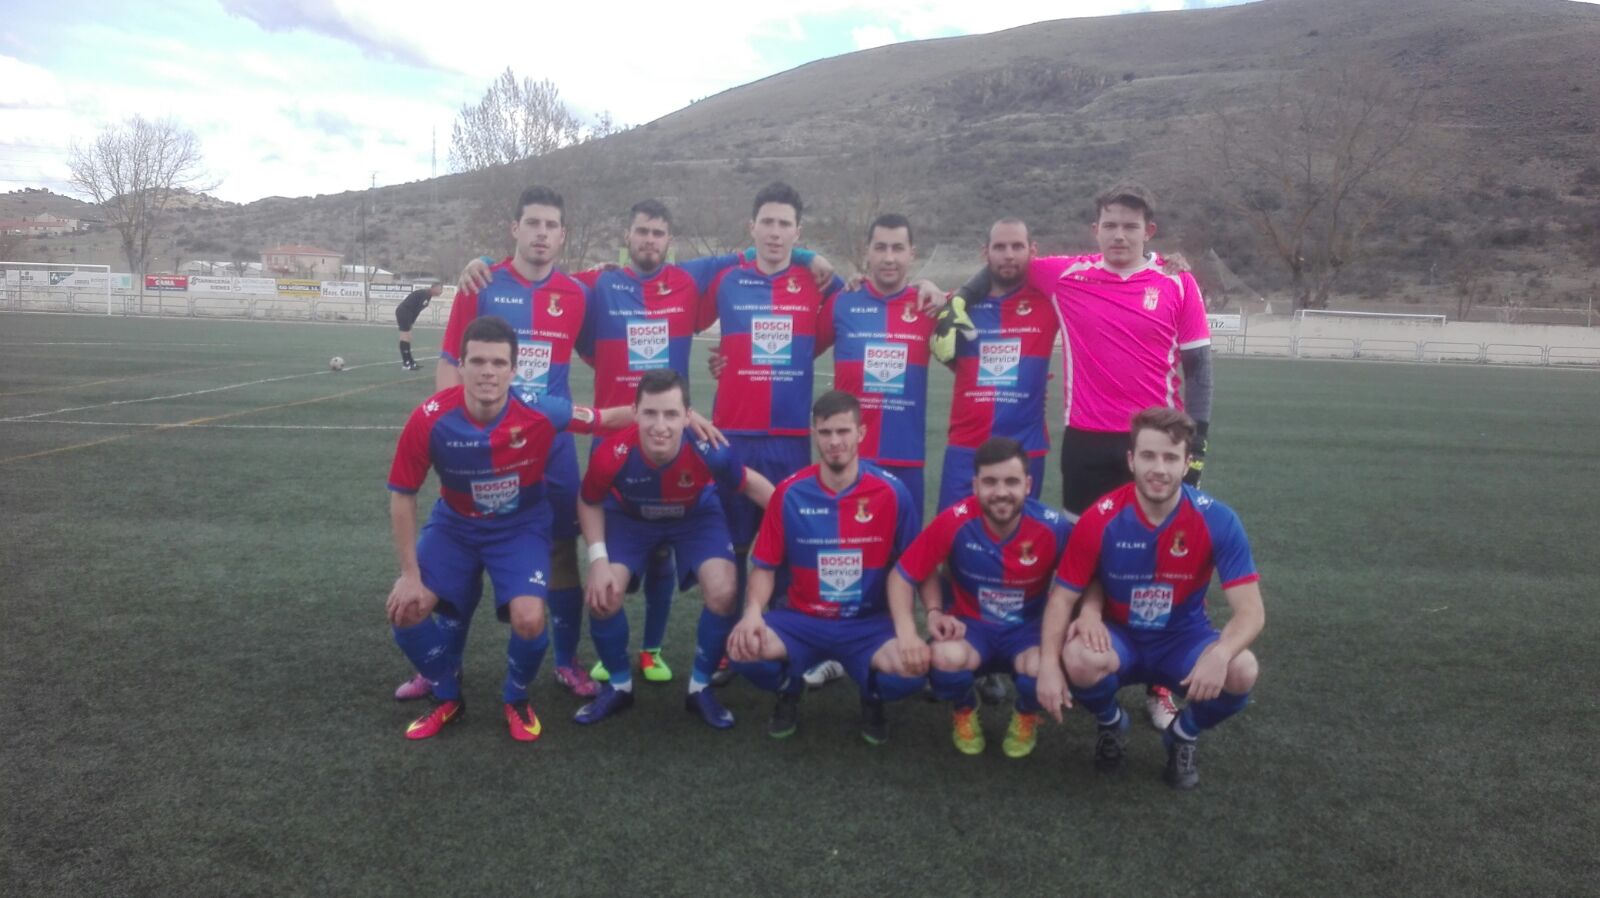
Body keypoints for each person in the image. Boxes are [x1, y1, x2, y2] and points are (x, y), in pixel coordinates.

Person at [458, 198, 831, 689]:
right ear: (627, 237)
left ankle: (653, 651)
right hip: (613, 438)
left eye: (658, 233)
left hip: (672, 436)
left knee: (663, 552)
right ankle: (606, 661)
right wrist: (485, 262)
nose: (649, 240)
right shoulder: (598, 284)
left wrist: (807, 255)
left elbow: (758, 249)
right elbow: (540, 271)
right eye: (641, 232)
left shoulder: (690, 280)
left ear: (668, 241)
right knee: (612, 556)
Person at [953, 183, 1214, 730]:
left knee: (1160, 557)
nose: (1120, 235)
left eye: (1131, 226)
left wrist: (1196, 448)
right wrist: (956, 298)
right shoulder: (1067, 275)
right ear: (1095, 230)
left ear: (1149, 231)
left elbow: (1199, 371)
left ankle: (1160, 684)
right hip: (1087, 439)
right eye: (1110, 225)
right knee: (1080, 551)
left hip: (1155, 444)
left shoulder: (1176, 282)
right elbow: (1007, 262)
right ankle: (1080, 658)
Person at [384, 315, 631, 741]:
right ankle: (447, 693)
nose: (488, 372)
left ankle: (515, 697)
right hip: (455, 526)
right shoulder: (429, 418)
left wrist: (680, 417)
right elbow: (402, 494)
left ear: (514, 370)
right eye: (478, 361)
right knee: (405, 609)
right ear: (461, 366)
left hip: (519, 527)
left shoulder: (540, 409)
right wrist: (409, 574)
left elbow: (606, 418)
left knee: (530, 619)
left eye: (499, 363)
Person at [1035, 408, 1263, 790]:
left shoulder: (1218, 520)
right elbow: (1061, 599)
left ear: (1187, 463)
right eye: (1148, 456)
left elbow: (1251, 612)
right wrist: (1047, 664)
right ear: (1131, 460)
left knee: (1242, 669)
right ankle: (1111, 723)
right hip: (1120, 637)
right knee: (1077, 658)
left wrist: (1221, 654)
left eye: (1171, 458)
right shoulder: (1100, 518)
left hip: (1183, 638)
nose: (1159, 469)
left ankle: (1183, 735)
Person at [574, 370, 775, 729]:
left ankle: (700, 689)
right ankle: (618, 686)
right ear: (634, 413)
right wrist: (598, 560)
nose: (660, 426)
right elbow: (589, 501)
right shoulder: (612, 453)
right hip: (631, 517)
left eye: (670, 414)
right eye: (650, 413)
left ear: (687, 416)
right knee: (604, 594)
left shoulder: (710, 451)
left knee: (724, 591)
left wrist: (797, 520)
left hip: (694, 516)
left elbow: (752, 486)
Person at [726, 391, 926, 745]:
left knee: (912, 671)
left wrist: (911, 628)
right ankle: (789, 688)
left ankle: (872, 695)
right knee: (743, 650)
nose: (835, 442)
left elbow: (913, 567)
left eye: (843, 431)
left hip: (866, 622)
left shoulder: (892, 493)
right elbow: (765, 567)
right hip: (803, 619)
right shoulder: (789, 493)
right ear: (814, 434)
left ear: (861, 432)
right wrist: (752, 612)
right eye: (826, 432)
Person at [888, 437, 1073, 758]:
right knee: (944, 659)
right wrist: (917, 625)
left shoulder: (1052, 527)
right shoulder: (955, 520)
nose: (1001, 492)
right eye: (990, 482)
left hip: (1027, 632)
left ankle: (1026, 714)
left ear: (1028, 485)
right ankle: (964, 709)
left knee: (1045, 666)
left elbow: (1084, 580)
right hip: (969, 629)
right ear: (975, 485)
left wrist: (1088, 616)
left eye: (1011, 481)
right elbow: (901, 576)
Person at [814, 213, 937, 515]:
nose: (889, 258)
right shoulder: (842, 302)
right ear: (867, 251)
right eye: (880, 248)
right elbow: (799, 354)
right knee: (848, 542)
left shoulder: (931, 307)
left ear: (912, 253)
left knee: (906, 545)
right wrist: (730, 361)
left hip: (906, 461)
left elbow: (969, 364)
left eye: (898, 248)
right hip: (849, 461)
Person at [394, 282, 442, 370]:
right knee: (405, 337)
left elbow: (417, 310)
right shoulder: (425, 294)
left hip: (408, 314)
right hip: (404, 312)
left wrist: (411, 322)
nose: (441, 291)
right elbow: (416, 309)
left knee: (408, 337)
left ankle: (410, 361)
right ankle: (406, 363)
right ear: (433, 288)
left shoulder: (428, 295)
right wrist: (411, 321)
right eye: (439, 289)